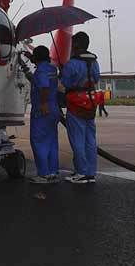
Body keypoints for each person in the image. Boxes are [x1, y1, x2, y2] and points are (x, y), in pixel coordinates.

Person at [58, 31, 100, 184]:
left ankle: (81, 172)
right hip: (90, 103)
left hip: (75, 104)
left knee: (77, 139)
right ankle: (90, 172)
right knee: (90, 139)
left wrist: (63, 71)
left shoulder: (72, 63)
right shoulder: (94, 62)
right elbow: (96, 78)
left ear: (76, 44)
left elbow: (65, 83)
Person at [20, 46, 60, 184]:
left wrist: (43, 103)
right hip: (53, 109)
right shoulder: (52, 69)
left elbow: (44, 87)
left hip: (42, 111)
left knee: (39, 141)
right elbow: (39, 82)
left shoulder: (41, 70)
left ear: (37, 57)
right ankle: (52, 172)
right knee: (51, 141)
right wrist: (27, 66)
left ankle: (43, 174)